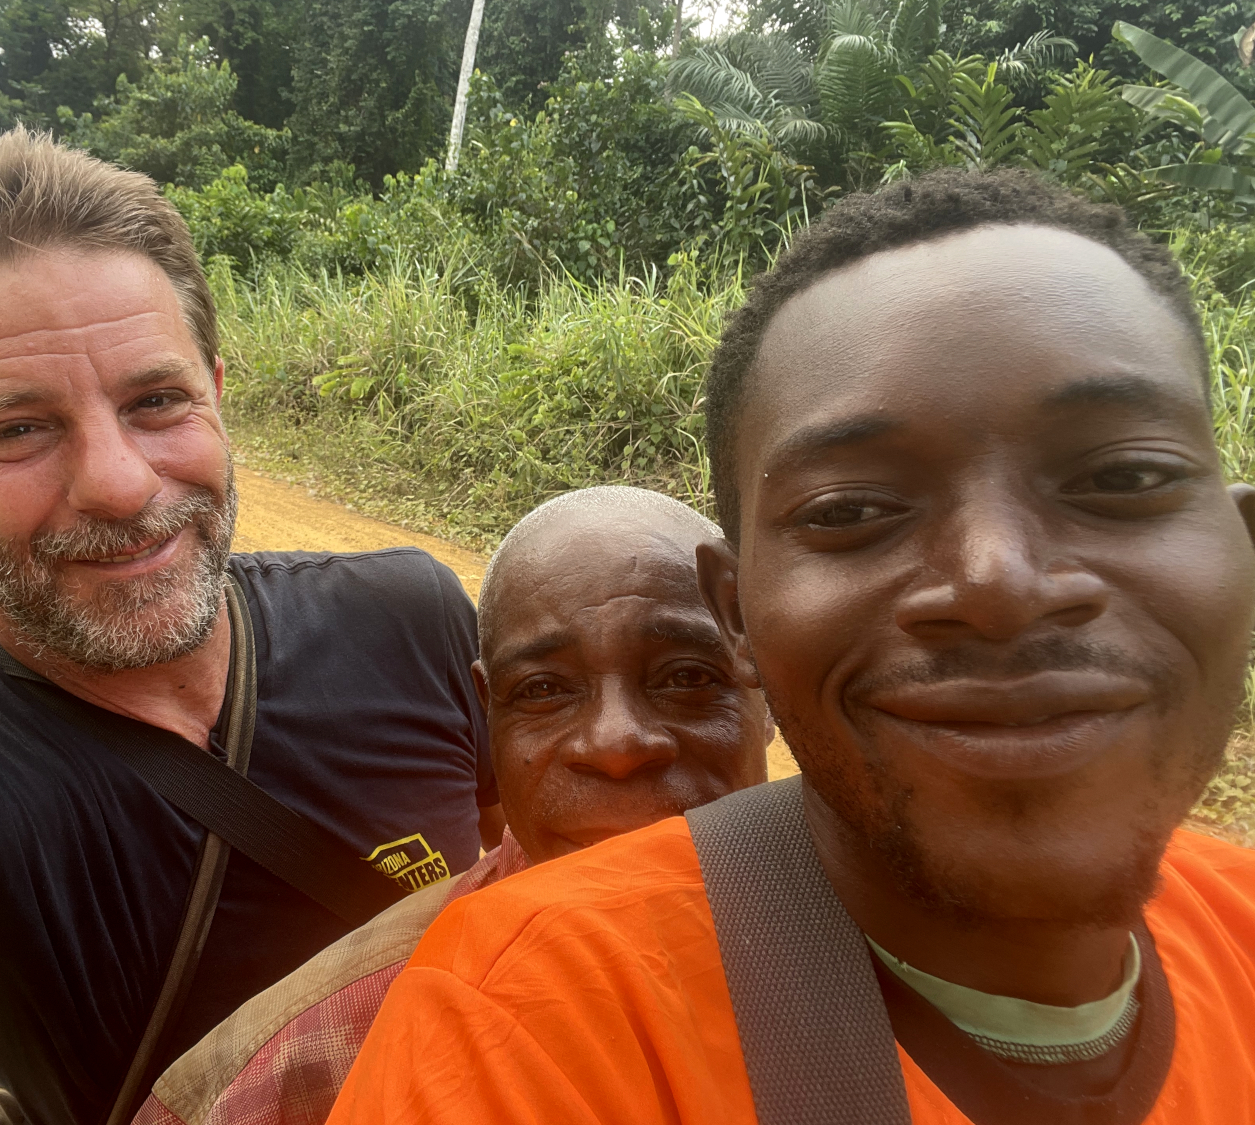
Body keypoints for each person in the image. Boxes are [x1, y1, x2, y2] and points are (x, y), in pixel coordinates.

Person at [327, 168, 1255, 1124]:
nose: (999, 583)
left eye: (1126, 477)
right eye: (851, 509)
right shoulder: (516, 1028)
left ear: (1244, 547)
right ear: (743, 611)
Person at [0, 129, 500, 1125]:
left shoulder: (413, 617)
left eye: (156, 401)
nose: (118, 481)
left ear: (219, 400)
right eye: (17, 428)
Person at [135, 485, 772, 1125]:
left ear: (767, 685)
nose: (617, 745)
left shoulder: (869, 918)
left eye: (688, 677)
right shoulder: (320, 1053)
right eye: (544, 689)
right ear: (487, 712)